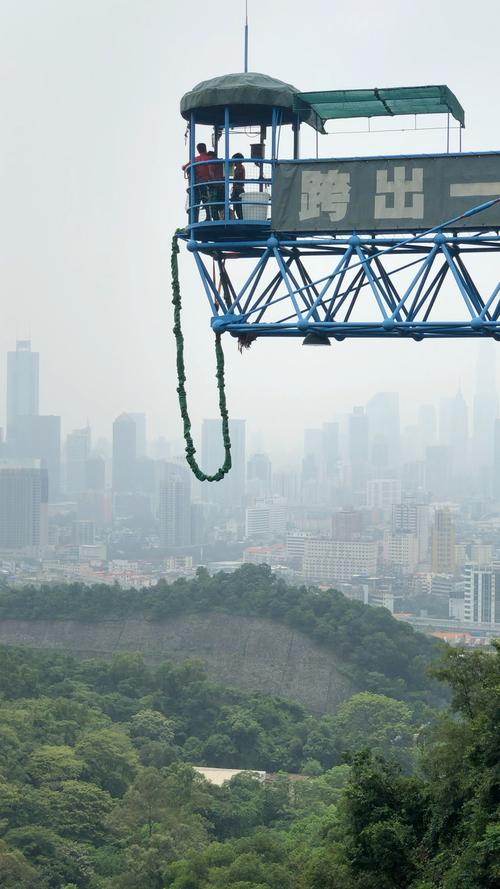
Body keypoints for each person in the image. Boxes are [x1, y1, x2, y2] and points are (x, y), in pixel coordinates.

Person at [182, 142, 212, 222]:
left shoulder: (196, 159)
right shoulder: (209, 158)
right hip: (207, 183)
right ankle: (209, 217)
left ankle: (194, 220)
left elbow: (184, 167)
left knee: (196, 202)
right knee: (206, 200)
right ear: (205, 148)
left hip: (197, 183)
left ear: (198, 150)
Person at [207, 151, 224, 221]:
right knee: (222, 205)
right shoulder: (221, 162)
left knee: (213, 205)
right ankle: (223, 218)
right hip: (222, 185)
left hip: (214, 186)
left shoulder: (211, 162)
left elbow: (211, 172)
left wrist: (213, 180)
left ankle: (216, 219)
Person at [230, 152, 246, 220]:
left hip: (238, 189)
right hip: (238, 189)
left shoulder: (239, 168)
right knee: (237, 206)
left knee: (238, 206)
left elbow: (236, 181)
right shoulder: (240, 168)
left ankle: (240, 218)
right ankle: (239, 218)